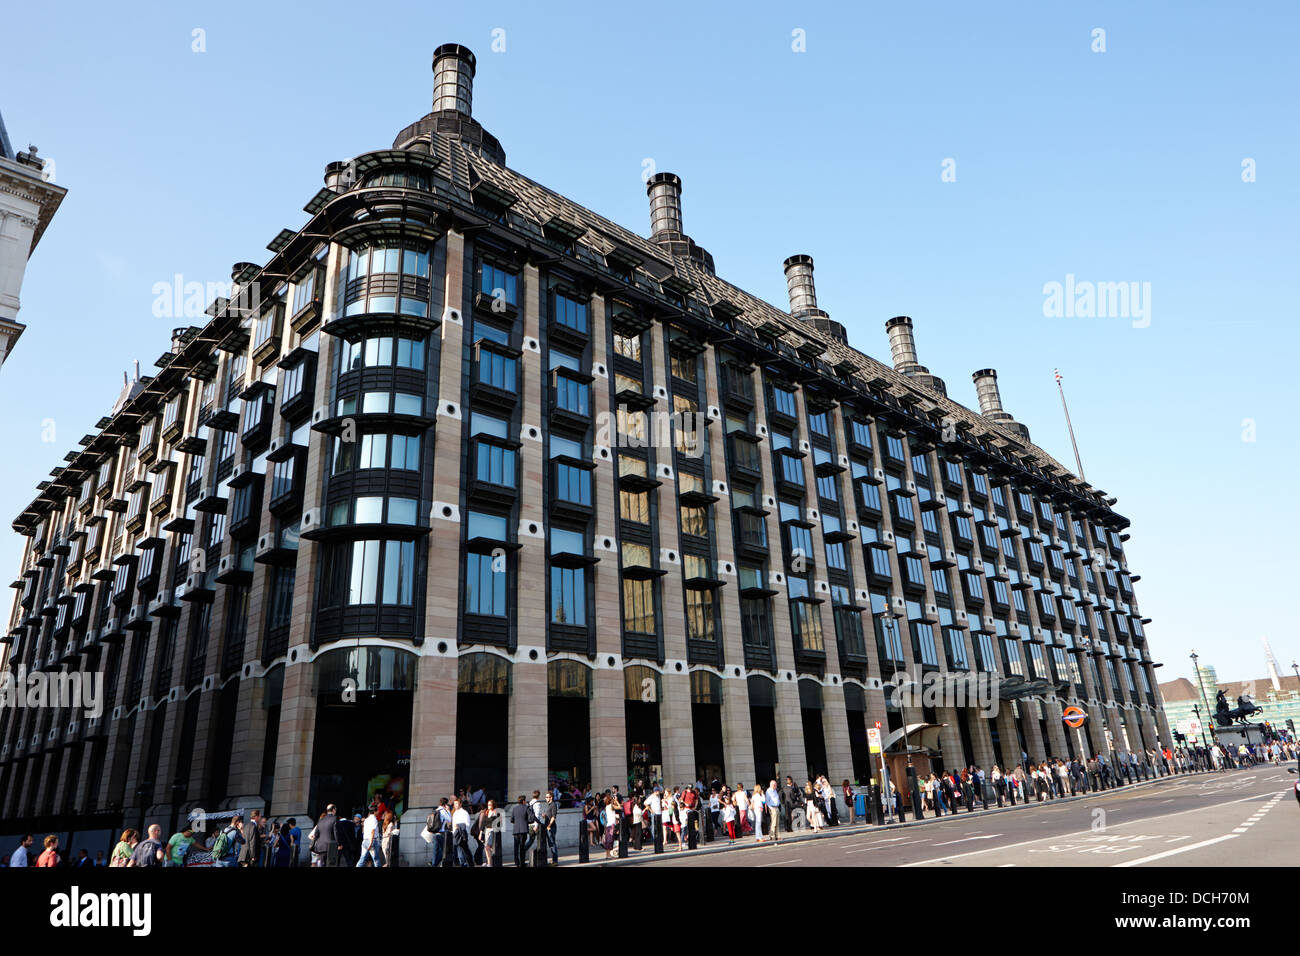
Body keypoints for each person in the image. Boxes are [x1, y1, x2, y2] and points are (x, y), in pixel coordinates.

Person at [509, 796, 532, 867]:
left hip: (516, 830)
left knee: (516, 847)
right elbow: (531, 818)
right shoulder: (526, 808)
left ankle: (516, 862)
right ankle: (522, 863)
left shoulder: (514, 809)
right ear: (523, 801)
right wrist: (526, 822)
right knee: (522, 847)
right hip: (523, 830)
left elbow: (511, 820)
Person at [601, 795, 618, 859]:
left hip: (608, 825)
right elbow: (619, 807)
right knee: (610, 840)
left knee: (608, 840)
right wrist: (616, 800)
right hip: (611, 825)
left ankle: (608, 855)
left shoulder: (607, 807)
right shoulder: (611, 806)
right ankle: (609, 855)